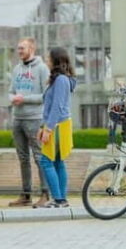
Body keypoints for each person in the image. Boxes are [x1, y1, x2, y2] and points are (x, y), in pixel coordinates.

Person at [7, 37, 50, 208]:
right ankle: (25, 195)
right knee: (23, 158)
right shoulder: (17, 69)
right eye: (18, 48)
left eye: (22, 48)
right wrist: (12, 98)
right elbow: (11, 91)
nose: (19, 51)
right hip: (17, 118)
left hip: (34, 119)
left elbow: (45, 95)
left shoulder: (42, 68)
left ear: (32, 48)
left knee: (39, 157)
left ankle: (46, 194)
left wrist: (23, 99)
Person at [37, 47, 76, 208]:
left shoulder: (60, 80)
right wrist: (43, 126)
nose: (46, 60)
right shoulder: (61, 79)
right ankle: (61, 199)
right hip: (59, 125)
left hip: (58, 125)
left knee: (46, 161)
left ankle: (58, 199)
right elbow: (50, 106)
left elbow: (57, 107)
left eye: (48, 58)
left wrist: (48, 129)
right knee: (58, 161)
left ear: (55, 60)